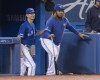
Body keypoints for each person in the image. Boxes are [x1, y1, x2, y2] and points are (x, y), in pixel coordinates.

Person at [40, 4, 88, 75]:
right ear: (55, 12)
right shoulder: (51, 20)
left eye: (62, 11)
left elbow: (70, 27)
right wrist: (49, 35)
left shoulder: (65, 20)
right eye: (59, 11)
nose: (61, 12)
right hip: (46, 40)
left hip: (57, 42)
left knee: (55, 57)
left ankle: (54, 71)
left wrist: (79, 34)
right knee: (53, 54)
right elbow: (46, 32)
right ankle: (50, 72)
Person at [17, 8, 36, 76]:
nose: (33, 15)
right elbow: (19, 37)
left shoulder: (33, 25)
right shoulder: (24, 25)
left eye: (33, 13)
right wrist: (19, 49)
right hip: (23, 47)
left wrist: (45, 29)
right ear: (27, 15)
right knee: (32, 65)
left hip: (29, 47)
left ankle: (21, 77)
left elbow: (36, 33)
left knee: (23, 66)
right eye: (31, 13)